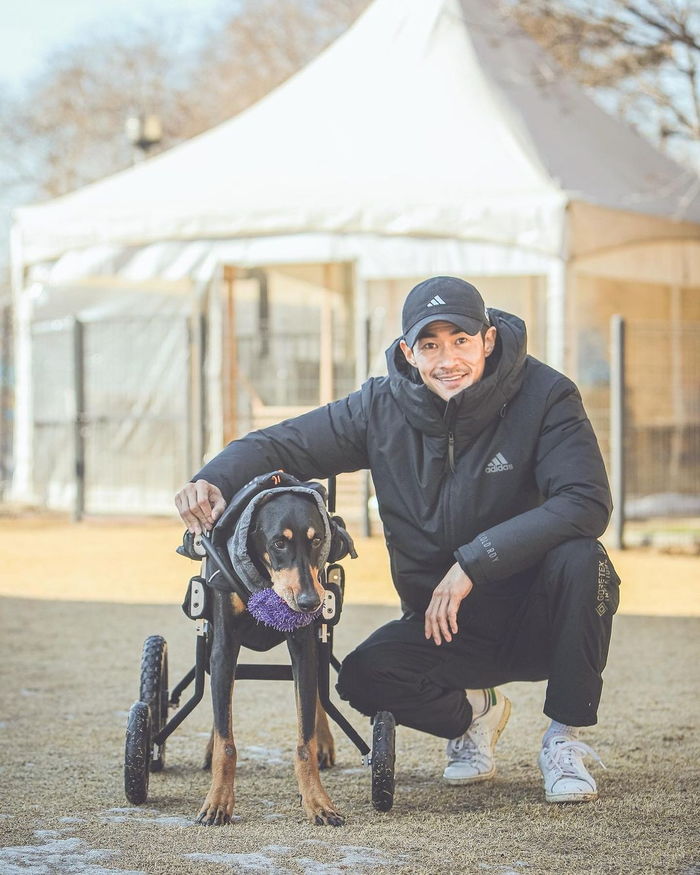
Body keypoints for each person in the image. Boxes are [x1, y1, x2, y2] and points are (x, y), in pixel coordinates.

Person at [175, 275, 620, 804]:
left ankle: (562, 741)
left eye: (460, 341)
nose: (447, 359)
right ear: (409, 352)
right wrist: (211, 478)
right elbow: (280, 443)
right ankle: (476, 713)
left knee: (583, 558)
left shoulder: (547, 396)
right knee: (363, 678)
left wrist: (475, 563)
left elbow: (586, 502)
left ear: (488, 339)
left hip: (538, 615)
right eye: (430, 345)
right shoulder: (379, 408)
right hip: (441, 620)